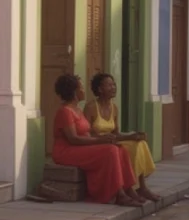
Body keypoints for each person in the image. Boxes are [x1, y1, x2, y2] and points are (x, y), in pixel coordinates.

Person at [51, 73, 143, 207]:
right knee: (110, 150)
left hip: (79, 148)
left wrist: (104, 138)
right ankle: (119, 194)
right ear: (74, 92)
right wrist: (100, 141)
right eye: (81, 88)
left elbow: (86, 134)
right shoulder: (65, 111)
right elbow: (73, 139)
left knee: (120, 149)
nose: (84, 91)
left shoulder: (77, 110)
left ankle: (128, 189)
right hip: (66, 152)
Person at [85, 73, 159, 203]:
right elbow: (86, 134)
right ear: (100, 89)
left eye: (114, 84)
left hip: (112, 141)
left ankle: (141, 187)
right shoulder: (91, 107)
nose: (113, 88)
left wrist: (133, 136)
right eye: (109, 85)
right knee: (124, 149)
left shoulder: (114, 108)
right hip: (98, 144)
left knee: (139, 143)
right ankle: (129, 189)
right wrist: (104, 138)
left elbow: (116, 134)